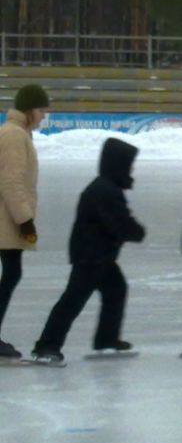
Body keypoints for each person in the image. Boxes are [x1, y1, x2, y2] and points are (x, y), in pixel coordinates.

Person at [31, 139, 146, 366]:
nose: (132, 168)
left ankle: (107, 340)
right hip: (91, 257)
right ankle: (47, 346)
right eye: (130, 163)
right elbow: (120, 223)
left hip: (97, 255)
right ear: (119, 164)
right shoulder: (106, 191)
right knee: (72, 300)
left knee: (116, 290)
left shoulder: (106, 186)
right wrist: (137, 231)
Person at [0, 84, 50, 360]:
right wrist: (25, 220)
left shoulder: (19, 134)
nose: (44, 115)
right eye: (41, 110)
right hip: (7, 218)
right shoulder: (13, 136)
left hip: (9, 217)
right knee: (11, 274)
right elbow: (11, 181)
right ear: (30, 109)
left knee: (11, 274)